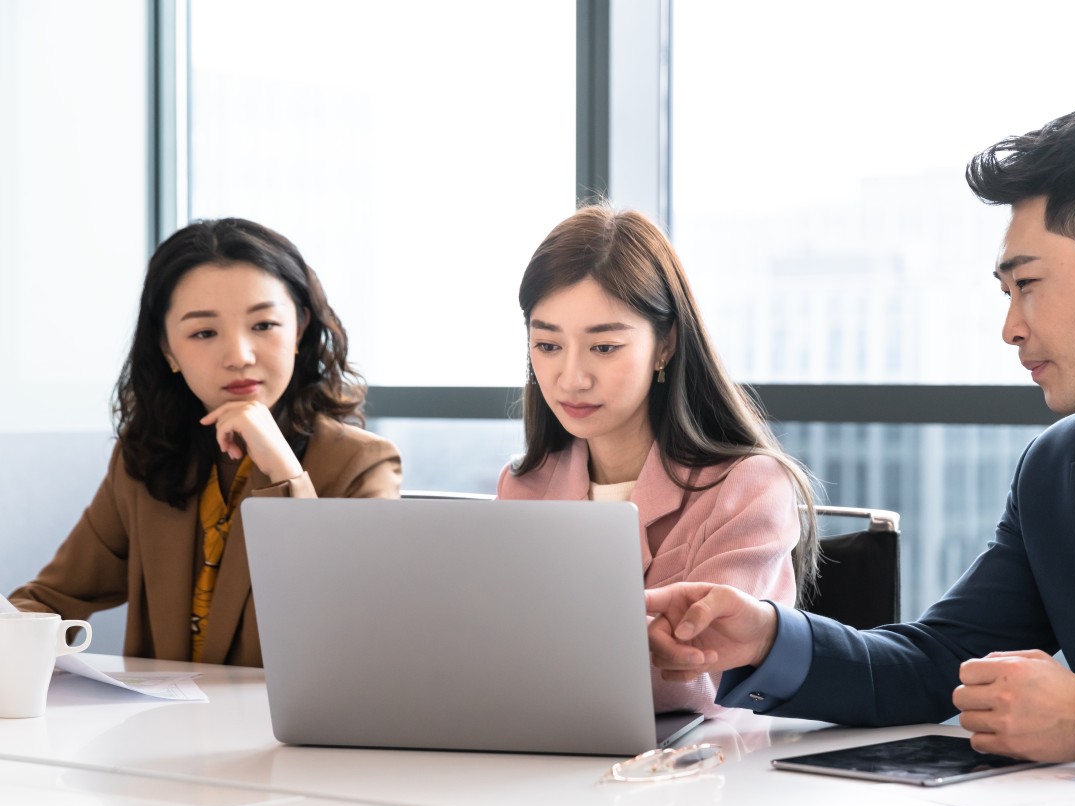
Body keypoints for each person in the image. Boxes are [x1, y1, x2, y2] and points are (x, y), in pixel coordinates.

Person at [646, 106, 1075, 779]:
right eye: (1004, 292)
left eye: (1028, 285)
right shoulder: (1058, 472)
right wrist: (765, 635)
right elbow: (937, 663)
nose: (1010, 329)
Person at [9, 218, 402, 665]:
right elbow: (46, 602)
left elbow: (358, 629)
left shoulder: (361, 464)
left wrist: (284, 472)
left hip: (292, 733)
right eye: (203, 333)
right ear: (168, 350)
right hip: (159, 732)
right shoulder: (146, 457)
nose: (239, 356)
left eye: (264, 325)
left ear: (300, 329)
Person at [497, 205, 819, 715]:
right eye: (547, 344)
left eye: (604, 347)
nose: (571, 377)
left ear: (664, 344)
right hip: (545, 755)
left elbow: (697, 670)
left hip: (703, 772)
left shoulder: (749, 489)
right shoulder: (524, 485)